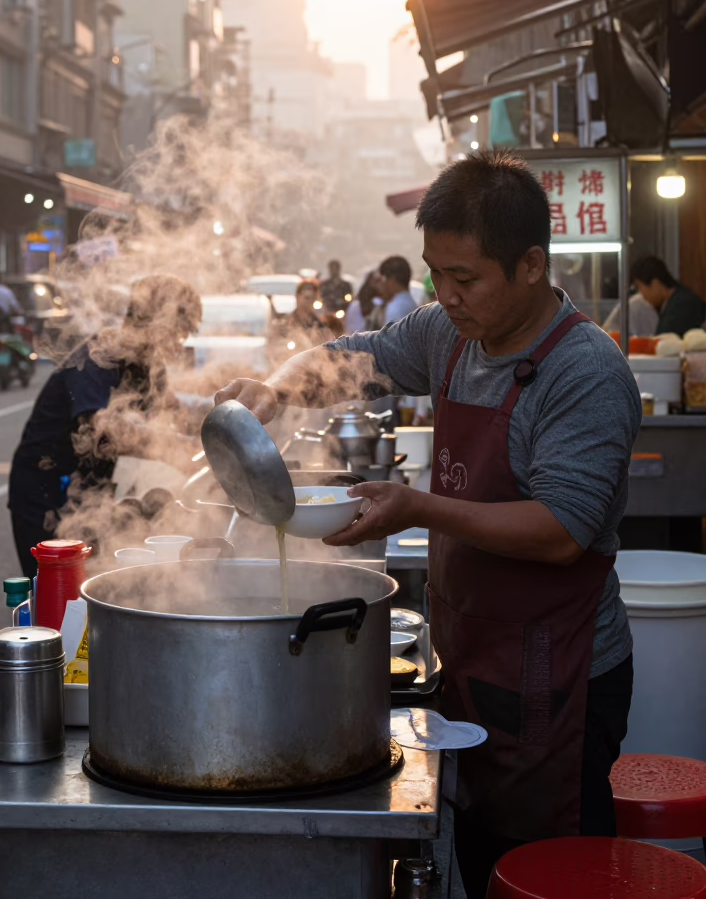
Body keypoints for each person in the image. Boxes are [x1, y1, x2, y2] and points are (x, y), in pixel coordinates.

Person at [216, 151, 640, 899]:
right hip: (472, 654)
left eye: (465, 279)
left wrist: (415, 506)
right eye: (434, 273)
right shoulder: (450, 335)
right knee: (480, 860)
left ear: (533, 265)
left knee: (551, 873)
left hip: (560, 672)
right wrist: (278, 389)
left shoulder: (586, 371)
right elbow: (356, 358)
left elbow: (561, 529)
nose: (444, 296)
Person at [8, 275, 201, 577]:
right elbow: (100, 432)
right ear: (151, 321)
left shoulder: (148, 364)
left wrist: (215, 437)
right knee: (56, 593)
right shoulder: (100, 356)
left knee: (94, 585)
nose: (179, 345)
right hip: (47, 489)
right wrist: (172, 451)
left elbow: (177, 412)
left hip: (90, 489)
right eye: (178, 332)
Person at [629, 255, 706, 337]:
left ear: (655, 283)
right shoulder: (671, 302)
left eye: (639, 287)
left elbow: (665, 341)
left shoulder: (683, 304)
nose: (641, 294)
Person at [272, 279, 333, 357]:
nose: (310, 301)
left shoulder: (320, 325)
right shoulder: (285, 323)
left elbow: (327, 349)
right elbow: (275, 348)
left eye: (313, 298)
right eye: (307, 297)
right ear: (297, 297)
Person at [377, 255, 417, 323]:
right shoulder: (413, 304)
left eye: (383, 279)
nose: (382, 284)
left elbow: (391, 333)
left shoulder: (395, 307)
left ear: (392, 280)